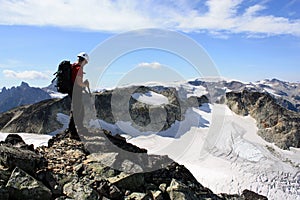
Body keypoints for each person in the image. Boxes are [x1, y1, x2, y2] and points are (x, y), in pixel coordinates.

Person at [67, 52, 90, 139]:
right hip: (76, 91)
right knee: (76, 110)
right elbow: (78, 82)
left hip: (72, 90)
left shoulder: (73, 66)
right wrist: (85, 84)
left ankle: (80, 127)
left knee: (80, 109)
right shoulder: (79, 69)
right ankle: (73, 132)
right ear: (84, 60)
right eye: (86, 62)